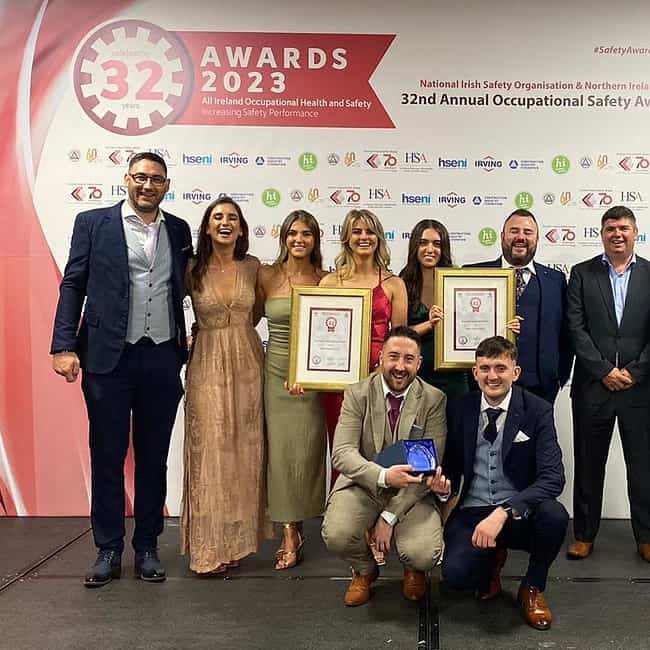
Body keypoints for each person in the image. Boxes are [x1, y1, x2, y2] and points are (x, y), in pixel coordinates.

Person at [51, 152, 192, 587]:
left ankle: (147, 546)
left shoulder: (180, 230)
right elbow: (74, 283)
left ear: (167, 185)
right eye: (140, 177)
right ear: (126, 179)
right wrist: (63, 346)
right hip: (107, 357)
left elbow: (185, 287)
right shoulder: (93, 223)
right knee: (108, 457)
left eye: (156, 179)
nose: (148, 185)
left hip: (161, 356)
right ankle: (108, 548)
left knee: (153, 459)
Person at [441, 336, 568, 631]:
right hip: (473, 508)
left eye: (500, 367)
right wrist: (442, 484)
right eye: (485, 368)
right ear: (475, 373)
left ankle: (533, 587)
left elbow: (553, 477)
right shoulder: (460, 408)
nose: (492, 376)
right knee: (456, 576)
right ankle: (490, 564)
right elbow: (451, 465)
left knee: (554, 516)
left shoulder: (537, 410)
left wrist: (504, 511)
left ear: (516, 372)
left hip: (518, 510)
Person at [321, 327, 449, 606]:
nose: (400, 367)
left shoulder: (434, 399)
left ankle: (413, 568)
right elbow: (342, 454)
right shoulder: (357, 393)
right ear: (380, 358)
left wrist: (388, 517)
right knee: (337, 534)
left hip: (412, 493)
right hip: (363, 485)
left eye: (408, 359)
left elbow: (428, 468)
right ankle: (365, 570)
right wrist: (382, 476)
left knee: (425, 552)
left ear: (419, 363)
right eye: (393, 357)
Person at [180, 196, 272, 574]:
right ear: (206, 227)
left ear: (241, 228)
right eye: (217, 217)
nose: (225, 223)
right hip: (205, 364)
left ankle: (237, 543)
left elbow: (261, 311)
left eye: (232, 218)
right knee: (210, 451)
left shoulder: (253, 269)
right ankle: (207, 549)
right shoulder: (190, 269)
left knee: (244, 451)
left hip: (249, 363)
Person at [566, 205, 650, 563]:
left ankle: (646, 536)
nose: (617, 233)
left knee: (643, 465)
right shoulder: (582, 273)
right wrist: (603, 370)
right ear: (602, 233)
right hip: (592, 386)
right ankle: (584, 534)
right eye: (611, 228)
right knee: (588, 463)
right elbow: (575, 327)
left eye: (624, 228)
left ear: (635, 233)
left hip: (640, 387)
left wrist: (635, 371)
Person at [257, 210, 328, 570]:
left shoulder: (326, 279)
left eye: (307, 234)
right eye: (292, 233)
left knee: (308, 453)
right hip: (274, 372)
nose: (299, 240)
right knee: (280, 454)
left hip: (313, 375)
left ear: (316, 240)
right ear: (283, 237)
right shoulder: (266, 275)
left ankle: (307, 520)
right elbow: (245, 317)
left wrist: (313, 369)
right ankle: (289, 531)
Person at [319, 209, 408, 477]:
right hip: (337, 381)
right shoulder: (329, 282)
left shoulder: (394, 284)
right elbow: (319, 336)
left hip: (379, 378)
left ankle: (376, 515)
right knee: (341, 446)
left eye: (369, 231)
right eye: (356, 231)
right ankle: (340, 512)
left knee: (378, 448)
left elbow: (400, 339)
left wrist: (386, 370)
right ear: (346, 237)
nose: (363, 237)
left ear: (379, 237)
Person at [466, 209, 573, 404]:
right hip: (484, 384)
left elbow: (566, 335)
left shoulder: (556, 280)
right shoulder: (473, 274)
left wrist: (559, 376)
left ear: (537, 238)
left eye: (527, 232)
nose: (520, 237)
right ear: (502, 236)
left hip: (541, 389)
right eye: (514, 231)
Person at [399, 219, 468, 399]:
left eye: (437, 244)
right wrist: (429, 325)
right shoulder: (402, 282)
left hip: (454, 374)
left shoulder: (458, 280)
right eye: (423, 243)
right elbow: (399, 333)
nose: (430, 249)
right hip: (416, 374)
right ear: (415, 246)